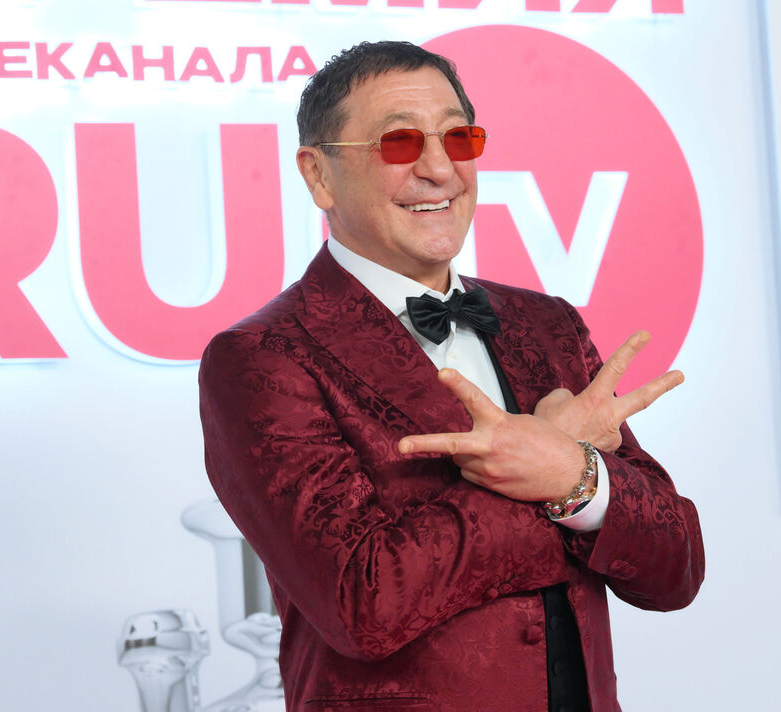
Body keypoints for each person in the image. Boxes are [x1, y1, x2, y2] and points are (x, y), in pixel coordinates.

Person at [199, 41, 703, 711]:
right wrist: (553, 463)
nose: (440, 169)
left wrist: (576, 477)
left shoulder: (548, 325)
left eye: (458, 138)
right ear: (319, 176)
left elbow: (675, 568)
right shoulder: (263, 357)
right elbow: (361, 602)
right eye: (399, 142)